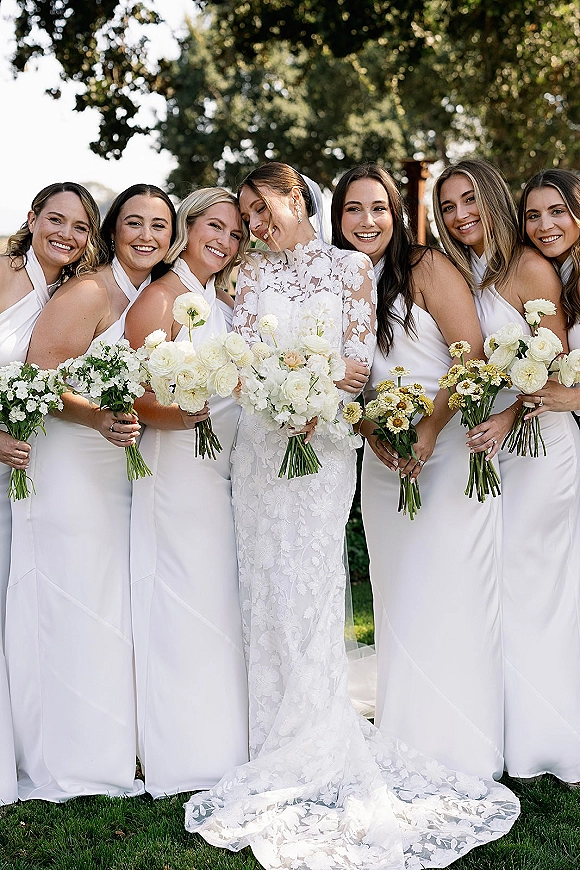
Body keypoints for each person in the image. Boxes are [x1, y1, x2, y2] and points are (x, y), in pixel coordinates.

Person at [184, 161, 519, 870]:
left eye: (259, 204)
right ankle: (272, 737)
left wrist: (315, 401)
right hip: (261, 444)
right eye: (243, 212)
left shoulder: (350, 270)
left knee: (312, 584)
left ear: (294, 196)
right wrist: (275, 398)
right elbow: (237, 356)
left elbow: (359, 359)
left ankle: (317, 731)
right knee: (265, 588)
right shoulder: (246, 275)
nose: (252, 221)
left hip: (326, 445)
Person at [331, 163, 505, 780]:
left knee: (448, 590)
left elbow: (471, 356)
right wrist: (374, 435)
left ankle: (462, 742)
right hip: (383, 465)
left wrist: (428, 429)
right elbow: (343, 382)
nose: (366, 221)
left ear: (397, 215)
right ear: (338, 217)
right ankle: (403, 734)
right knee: (399, 596)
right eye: (353, 209)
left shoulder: (427, 268)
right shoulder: (338, 283)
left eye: (378, 208)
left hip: (449, 448)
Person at [5, 184, 175, 801]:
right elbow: (37, 380)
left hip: (115, 470)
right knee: (66, 600)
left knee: (108, 606)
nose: (147, 236)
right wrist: (100, 418)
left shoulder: (151, 297)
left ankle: (106, 747)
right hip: (69, 462)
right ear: (115, 230)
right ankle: (63, 756)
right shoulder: (88, 291)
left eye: (160, 224)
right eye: (134, 223)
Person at [434, 159, 580, 785]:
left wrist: (509, 413)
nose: (461, 214)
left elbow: (556, 367)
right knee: (503, 590)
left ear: (491, 199)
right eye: (447, 207)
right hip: (497, 451)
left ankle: (549, 739)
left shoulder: (530, 268)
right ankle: (508, 732)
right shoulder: (465, 272)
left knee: (539, 590)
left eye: (470, 200)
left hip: (542, 448)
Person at [125, 188, 250, 798]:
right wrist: (187, 415)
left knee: (214, 597)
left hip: (219, 468)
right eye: (213, 228)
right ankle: (180, 750)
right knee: (179, 597)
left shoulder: (212, 299)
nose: (223, 242)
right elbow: (132, 396)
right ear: (188, 227)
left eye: (233, 234)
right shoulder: (161, 298)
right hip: (175, 465)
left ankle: (221, 738)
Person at [0, 181, 101, 806]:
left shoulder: (65, 296)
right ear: (32, 219)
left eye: (79, 226)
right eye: (55, 219)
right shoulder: (5, 273)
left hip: (23, 468)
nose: (65, 233)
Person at [517, 169, 580, 412]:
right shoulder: (545, 275)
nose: (545, 225)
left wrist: (574, 399)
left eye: (557, 211)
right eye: (533, 215)